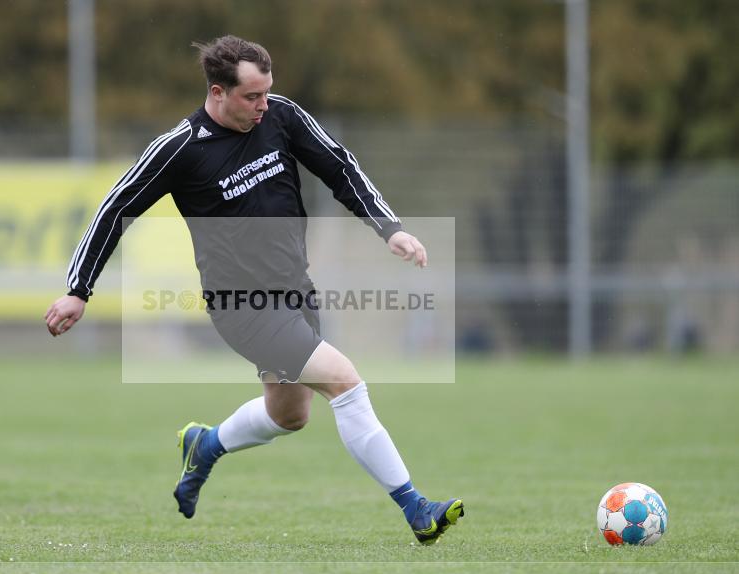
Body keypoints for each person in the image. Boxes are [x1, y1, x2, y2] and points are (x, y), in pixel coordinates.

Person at [44, 35, 463, 545]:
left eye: (267, 93)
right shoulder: (179, 149)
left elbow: (338, 164)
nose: (263, 106)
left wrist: (389, 227)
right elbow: (115, 208)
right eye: (251, 97)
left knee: (289, 415)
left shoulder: (281, 116)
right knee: (346, 384)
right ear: (217, 92)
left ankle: (205, 445)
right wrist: (78, 290)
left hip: (295, 292)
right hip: (243, 306)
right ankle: (416, 507)